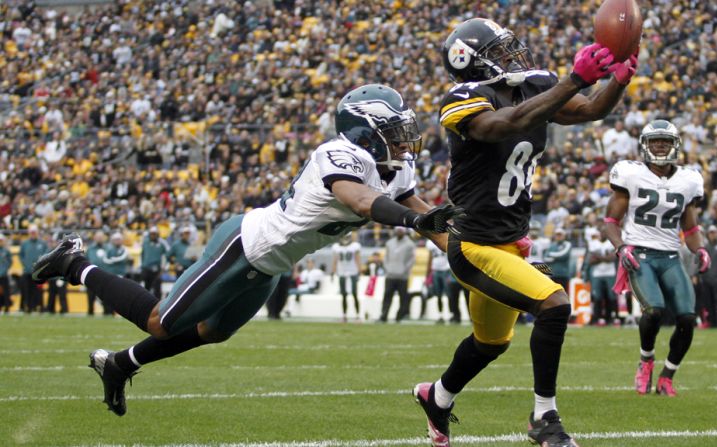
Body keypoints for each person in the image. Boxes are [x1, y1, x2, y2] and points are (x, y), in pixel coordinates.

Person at [32, 84, 461, 417]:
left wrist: (470, 259)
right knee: (161, 322)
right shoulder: (338, 154)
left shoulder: (396, 167)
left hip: (272, 263)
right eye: (395, 133)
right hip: (244, 244)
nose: (406, 143)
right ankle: (74, 262)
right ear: (366, 131)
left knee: (213, 332)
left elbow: (429, 219)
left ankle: (121, 363)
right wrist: (414, 221)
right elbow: (360, 200)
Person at [413, 18, 636, 447]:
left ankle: (436, 397)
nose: (512, 56)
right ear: (473, 64)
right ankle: (544, 419)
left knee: (490, 342)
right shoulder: (462, 99)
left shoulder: (534, 86)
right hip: (474, 245)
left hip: (510, 243)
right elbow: (506, 125)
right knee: (553, 304)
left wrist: (619, 82)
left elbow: (589, 110)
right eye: (498, 51)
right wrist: (572, 80)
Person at [603, 120, 711, 397]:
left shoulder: (688, 179)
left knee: (687, 317)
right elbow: (610, 221)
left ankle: (667, 376)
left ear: (675, 145)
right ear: (645, 145)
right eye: (654, 141)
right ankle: (646, 359)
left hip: (671, 256)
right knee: (654, 311)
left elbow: (691, 227)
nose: (660, 145)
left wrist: (700, 249)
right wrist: (621, 248)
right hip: (640, 254)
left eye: (664, 141)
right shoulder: (630, 174)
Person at [379, 227, 416, 322]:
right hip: (390, 275)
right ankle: (384, 315)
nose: (399, 232)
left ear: (404, 231)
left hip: (403, 276)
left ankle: (399, 316)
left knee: (403, 297)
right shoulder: (389, 243)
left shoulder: (410, 244)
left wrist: (405, 270)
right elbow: (386, 258)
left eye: (401, 230)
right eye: (398, 230)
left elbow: (411, 260)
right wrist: (387, 269)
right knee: (387, 296)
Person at [330, 233, 362, 321]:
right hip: (342, 273)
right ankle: (344, 315)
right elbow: (335, 260)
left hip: (353, 272)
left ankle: (358, 315)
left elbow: (357, 259)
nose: (345, 239)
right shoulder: (336, 247)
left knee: (355, 294)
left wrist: (359, 271)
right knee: (343, 295)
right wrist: (333, 271)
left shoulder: (355, 246)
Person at [19, 225, 48, 313]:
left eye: (34, 232)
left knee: (38, 291)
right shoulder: (25, 244)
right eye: (31, 232)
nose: (33, 234)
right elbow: (21, 255)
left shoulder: (42, 243)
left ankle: (40, 307)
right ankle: (28, 307)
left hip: (38, 272)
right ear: (29, 233)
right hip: (27, 271)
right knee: (27, 290)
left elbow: (46, 255)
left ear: (37, 233)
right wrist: (25, 264)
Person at [140, 227, 169, 300]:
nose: (153, 235)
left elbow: (167, 255)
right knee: (146, 287)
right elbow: (142, 254)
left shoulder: (162, 243)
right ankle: (145, 303)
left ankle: (157, 304)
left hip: (157, 269)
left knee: (157, 288)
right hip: (146, 268)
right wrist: (142, 265)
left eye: (154, 234)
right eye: (151, 234)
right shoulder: (145, 242)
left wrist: (164, 268)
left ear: (157, 234)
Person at [85, 231, 108, 316]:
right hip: (92, 276)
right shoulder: (90, 249)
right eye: (98, 237)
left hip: (105, 276)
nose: (99, 239)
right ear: (94, 238)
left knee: (106, 296)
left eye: (101, 237)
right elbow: (86, 261)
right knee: (90, 296)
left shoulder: (108, 248)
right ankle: (90, 312)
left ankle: (107, 313)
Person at [0, 234, 12, 313]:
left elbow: (9, 262)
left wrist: (4, 270)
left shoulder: (6, 251)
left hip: (4, 275)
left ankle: (7, 307)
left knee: (6, 291)